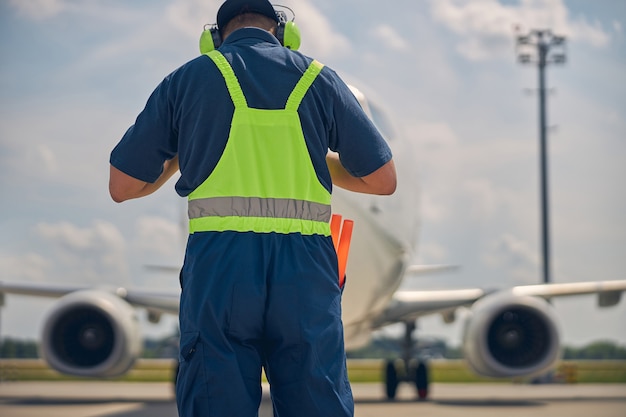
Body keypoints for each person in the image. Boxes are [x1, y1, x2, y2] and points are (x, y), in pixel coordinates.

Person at [108, 0, 396, 415]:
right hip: (306, 268)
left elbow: (122, 186)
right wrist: (311, 159)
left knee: (215, 398)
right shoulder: (319, 79)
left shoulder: (186, 80)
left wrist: (181, 157)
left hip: (221, 266)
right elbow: (382, 180)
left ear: (213, 38)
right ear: (283, 34)